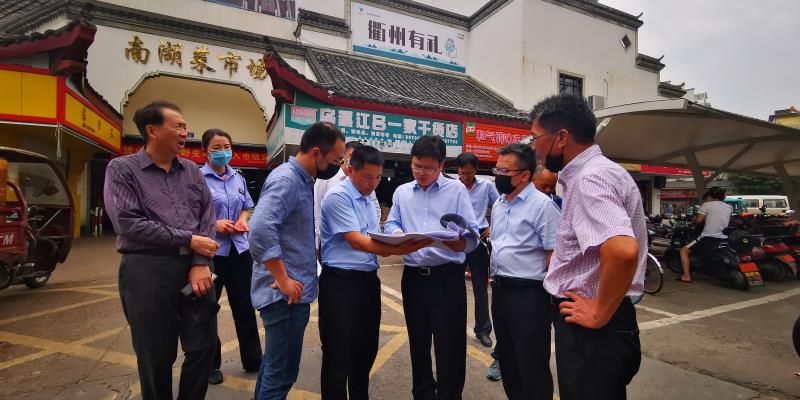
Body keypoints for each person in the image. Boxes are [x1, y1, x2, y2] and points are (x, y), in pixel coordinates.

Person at [531, 94, 647, 400]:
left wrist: (598, 313)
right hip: (602, 324)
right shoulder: (601, 171)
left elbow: (623, 250)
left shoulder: (590, 179)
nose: (534, 147)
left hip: (591, 329)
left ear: (561, 138)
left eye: (535, 138)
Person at [104, 101, 219, 400]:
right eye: (178, 126)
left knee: (203, 347)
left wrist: (200, 261)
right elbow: (128, 223)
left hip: (196, 268)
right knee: (156, 354)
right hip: (148, 269)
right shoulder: (122, 169)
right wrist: (189, 239)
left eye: (185, 127)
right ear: (152, 131)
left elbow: (207, 216)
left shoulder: (192, 170)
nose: (184, 133)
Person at [318, 145, 431, 400]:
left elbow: (374, 234)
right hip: (340, 283)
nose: (373, 183)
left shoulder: (370, 197)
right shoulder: (338, 197)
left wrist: (395, 240)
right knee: (337, 354)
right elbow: (356, 240)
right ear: (350, 170)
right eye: (367, 176)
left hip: (368, 281)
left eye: (378, 177)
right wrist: (397, 249)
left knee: (365, 350)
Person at [248, 122, 346, 400]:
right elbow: (260, 229)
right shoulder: (289, 180)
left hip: (290, 293)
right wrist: (282, 279)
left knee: (273, 368)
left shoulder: (302, 178)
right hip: (285, 297)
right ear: (316, 152)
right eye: (337, 160)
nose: (339, 166)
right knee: (282, 374)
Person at [384, 135, 480, 400]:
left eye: (428, 168)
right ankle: (423, 393)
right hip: (413, 278)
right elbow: (392, 223)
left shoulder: (456, 190)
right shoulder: (402, 192)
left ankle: (450, 394)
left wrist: (456, 242)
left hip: (446, 278)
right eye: (417, 166)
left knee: (450, 343)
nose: (421, 172)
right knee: (418, 340)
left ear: (441, 166)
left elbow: (471, 236)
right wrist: (398, 234)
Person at [489, 143, 560, 400]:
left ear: (525, 175)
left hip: (530, 294)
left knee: (531, 362)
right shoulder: (499, 204)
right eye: (497, 169)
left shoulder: (542, 206)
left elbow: (555, 255)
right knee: (508, 357)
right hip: (500, 290)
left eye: (505, 171)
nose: (498, 175)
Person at [200, 129, 262, 385]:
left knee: (245, 306)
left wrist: (242, 220)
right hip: (211, 254)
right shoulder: (197, 178)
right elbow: (190, 215)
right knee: (207, 310)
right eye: (216, 147)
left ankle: (253, 359)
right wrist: (214, 224)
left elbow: (247, 206)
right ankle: (210, 365)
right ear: (205, 151)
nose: (222, 151)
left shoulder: (238, 177)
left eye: (226, 146)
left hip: (239, 252)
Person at [455, 152, 498, 348]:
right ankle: (454, 327)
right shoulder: (452, 187)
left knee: (480, 288)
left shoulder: (486, 186)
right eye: (462, 173)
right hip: (458, 239)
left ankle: (483, 330)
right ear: (458, 171)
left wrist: (493, 226)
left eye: (469, 173)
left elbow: (501, 205)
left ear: (476, 170)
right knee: (454, 287)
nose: (466, 177)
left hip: (479, 239)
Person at [314, 141, 381, 250]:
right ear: (343, 156)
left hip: (364, 246)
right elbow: (316, 210)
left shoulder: (366, 184)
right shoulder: (327, 179)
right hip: (335, 244)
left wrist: (372, 233)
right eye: (351, 156)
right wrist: (317, 242)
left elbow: (376, 209)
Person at [678, 187, 732, 283]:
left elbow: (698, 220)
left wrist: (693, 218)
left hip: (708, 237)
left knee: (683, 251)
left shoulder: (706, 205)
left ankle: (686, 276)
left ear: (710, 196)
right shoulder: (729, 207)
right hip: (724, 237)